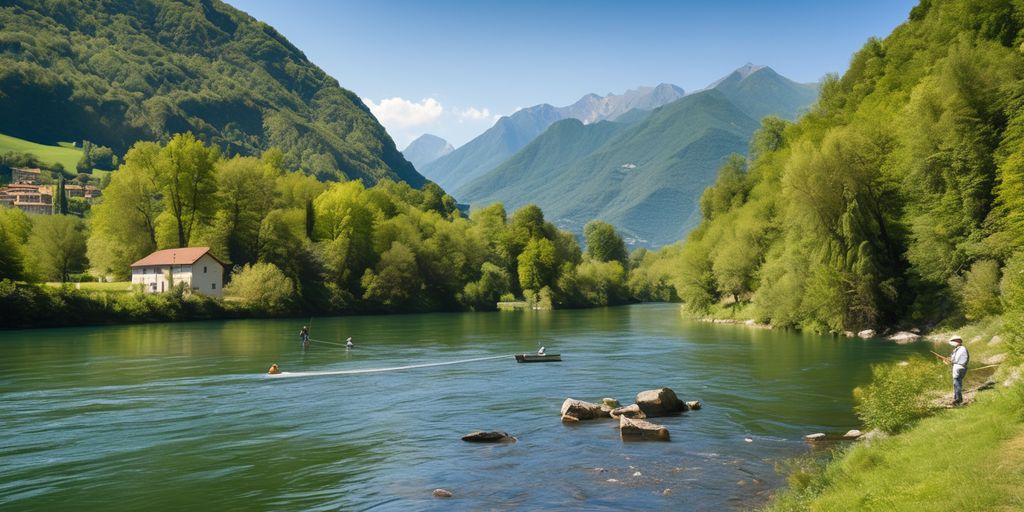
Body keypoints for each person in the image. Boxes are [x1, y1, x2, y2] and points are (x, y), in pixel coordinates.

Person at [942, 335, 970, 405]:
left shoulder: (961, 349)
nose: (952, 343)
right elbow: (953, 359)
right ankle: (956, 398)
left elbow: (955, 360)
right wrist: (946, 360)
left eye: (953, 341)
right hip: (959, 367)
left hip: (959, 367)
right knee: (957, 383)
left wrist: (948, 360)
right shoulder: (958, 349)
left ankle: (958, 399)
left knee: (957, 383)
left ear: (958, 341)